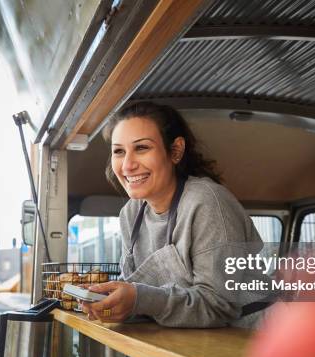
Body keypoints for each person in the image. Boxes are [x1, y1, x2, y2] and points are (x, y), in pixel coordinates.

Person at [81, 102, 271, 328]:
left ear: (176, 151)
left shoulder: (206, 201)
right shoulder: (131, 214)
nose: (128, 165)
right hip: (192, 339)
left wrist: (140, 299)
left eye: (141, 148)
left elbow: (219, 305)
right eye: (119, 151)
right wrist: (108, 298)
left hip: (255, 334)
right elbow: (136, 289)